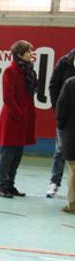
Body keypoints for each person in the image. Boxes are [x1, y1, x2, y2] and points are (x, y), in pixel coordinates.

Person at [0, 40, 37, 198]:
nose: (32, 54)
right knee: (8, 155)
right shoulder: (10, 71)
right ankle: (1, 186)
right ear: (20, 54)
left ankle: (10, 185)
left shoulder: (28, 71)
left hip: (23, 119)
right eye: (29, 51)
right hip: (13, 119)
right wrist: (19, 114)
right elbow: (8, 97)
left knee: (17, 154)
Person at [47, 48, 75, 198]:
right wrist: (58, 109)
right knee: (60, 150)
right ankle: (54, 182)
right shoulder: (64, 63)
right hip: (67, 117)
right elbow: (54, 86)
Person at [55, 76, 75, 213]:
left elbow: (60, 110)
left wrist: (62, 127)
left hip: (71, 133)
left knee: (73, 170)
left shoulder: (70, 83)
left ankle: (73, 203)